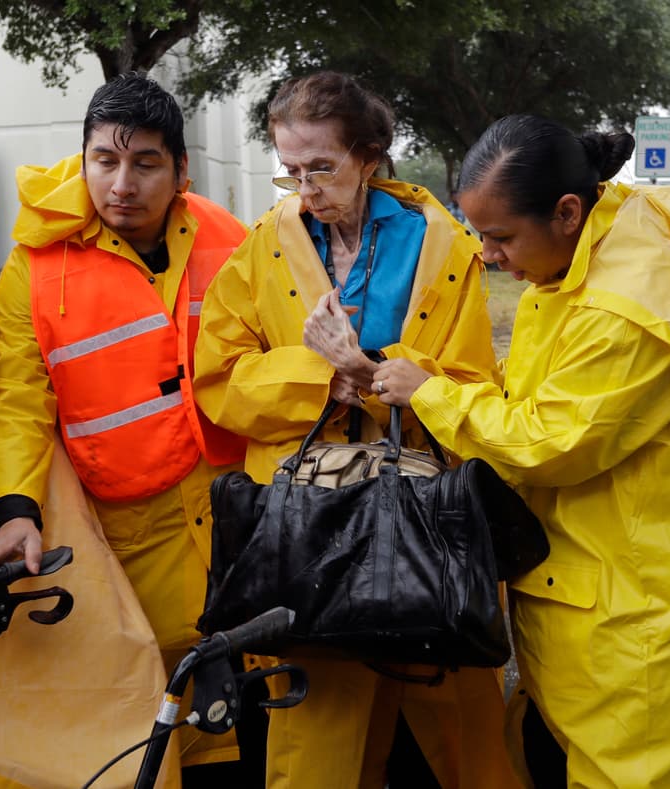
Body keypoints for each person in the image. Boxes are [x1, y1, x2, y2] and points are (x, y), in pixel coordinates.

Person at [373, 114, 670, 788]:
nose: (488, 256)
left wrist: (430, 393)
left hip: (634, 616)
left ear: (568, 212)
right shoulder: (597, 254)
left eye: (499, 237)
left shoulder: (624, 306)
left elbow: (546, 442)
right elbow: (546, 397)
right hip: (594, 590)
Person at [193, 71, 518, 788]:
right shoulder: (260, 250)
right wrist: (325, 379)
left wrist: (372, 370)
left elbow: (472, 387)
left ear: (370, 156)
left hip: (427, 524)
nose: (305, 187)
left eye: (322, 167)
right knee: (316, 746)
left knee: (468, 737)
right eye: (291, 170)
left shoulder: (441, 245)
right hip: (311, 529)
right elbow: (217, 379)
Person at [0, 73, 257, 785]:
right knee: (150, 726)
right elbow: (19, 399)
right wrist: (13, 509)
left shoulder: (232, 238)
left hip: (239, 516)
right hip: (132, 534)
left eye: (145, 163)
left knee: (256, 717)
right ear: (83, 158)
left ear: (182, 171)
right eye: (105, 160)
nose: (122, 183)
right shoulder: (36, 265)